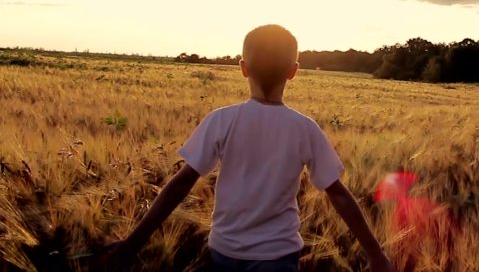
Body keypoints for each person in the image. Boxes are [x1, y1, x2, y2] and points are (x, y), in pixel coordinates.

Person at [101, 25, 394, 272]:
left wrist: (134, 242)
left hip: (224, 252)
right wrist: (375, 254)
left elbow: (179, 185)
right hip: (278, 257)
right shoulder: (304, 129)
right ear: (293, 71)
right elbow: (339, 195)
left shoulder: (221, 120)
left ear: (243, 68)